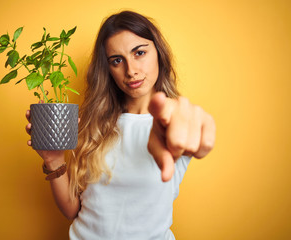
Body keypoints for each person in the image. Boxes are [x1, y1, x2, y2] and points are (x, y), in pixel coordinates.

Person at [25, 10, 215, 240]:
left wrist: (196, 124)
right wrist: (53, 160)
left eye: (140, 53)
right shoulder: (93, 126)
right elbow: (73, 210)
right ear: (108, 69)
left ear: (159, 54)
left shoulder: (172, 121)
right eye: (117, 60)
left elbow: (191, 124)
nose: (131, 70)